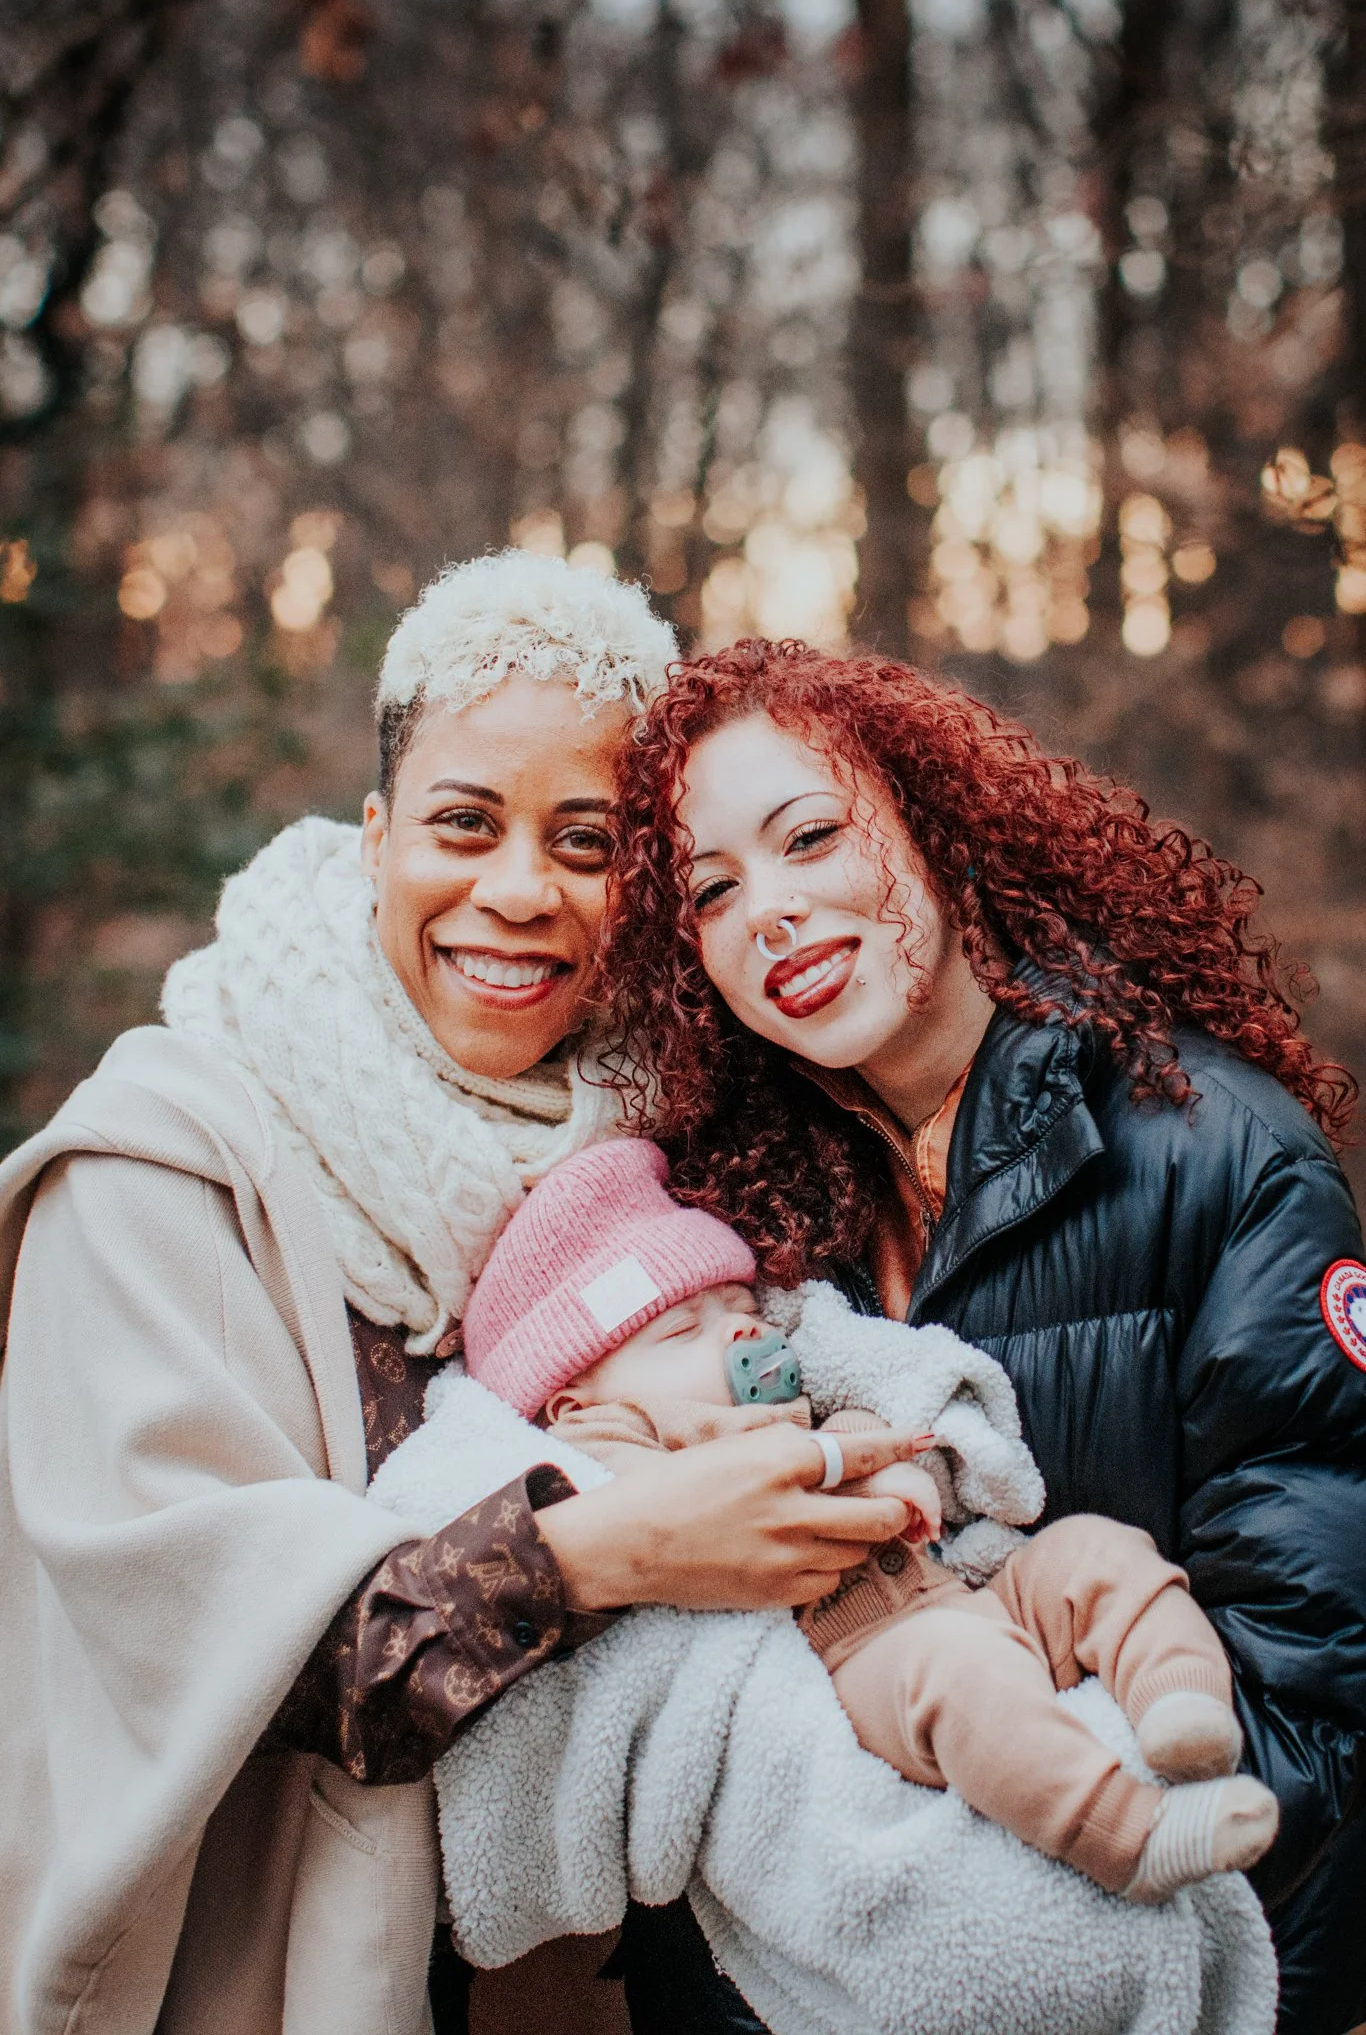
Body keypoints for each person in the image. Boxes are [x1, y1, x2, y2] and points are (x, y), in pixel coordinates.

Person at [0, 565, 926, 2035]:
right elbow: (200, 1653)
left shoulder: (671, 1152)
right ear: (378, 837)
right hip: (266, 1976)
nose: (519, 891)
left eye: (584, 842)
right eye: (464, 823)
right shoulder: (152, 1172)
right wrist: (606, 1548)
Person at [602, 636, 1366, 2035]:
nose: (768, 911)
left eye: (810, 837)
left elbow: (1313, 1702)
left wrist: (973, 1910)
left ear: (942, 832)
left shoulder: (1218, 1158)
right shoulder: (728, 1227)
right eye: (711, 891)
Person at [461, 1134, 1282, 1905]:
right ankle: (1131, 1838)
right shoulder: (609, 1449)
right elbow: (645, 1504)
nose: (743, 1331)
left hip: (959, 1593)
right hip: (864, 1658)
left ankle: (1184, 1706)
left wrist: (886, 1467)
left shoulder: (790, 1410)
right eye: (682, 1328)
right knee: (964, 1678)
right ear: (575, 1403)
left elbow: (843, 1438)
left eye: (740, 1303)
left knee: (1094, 1550)